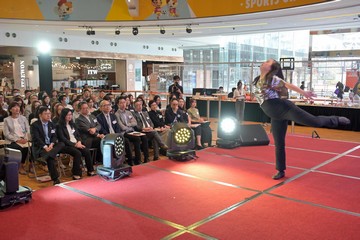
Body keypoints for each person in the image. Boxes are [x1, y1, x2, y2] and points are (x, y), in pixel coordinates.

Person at [253, 59, 350, 180]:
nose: (264, 62)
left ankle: (336, 119)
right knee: (279, 144)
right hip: (275, 115)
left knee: (314, 122)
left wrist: (304, 93)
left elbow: (288, 85)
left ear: (271, 69)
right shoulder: (258, 79)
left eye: (268, 62)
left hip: (285, 109)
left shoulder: (271, 79)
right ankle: (280, 170)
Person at [56, 108, 96, 180]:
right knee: (77, 153)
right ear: (63, 115)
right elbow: (63, 139)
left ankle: (90, 170)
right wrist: (75, 145)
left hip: (76, 143)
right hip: (66, 145)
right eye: (68, 115)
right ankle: (76, 173)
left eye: (71, 114)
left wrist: (79, 142)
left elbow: (78, 135)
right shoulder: (59, 126)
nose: (70, 116)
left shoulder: (73, 125)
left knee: (86, 151)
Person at [30, 106, 65, 185]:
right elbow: (36, 138)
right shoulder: (35, 125)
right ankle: (55, 179)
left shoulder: (51, 124)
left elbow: (54, 136)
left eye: (49, 113)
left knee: (62, 144)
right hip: (40, 147)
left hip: (51, 146)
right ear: (40, 115)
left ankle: (45, 157)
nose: (48, 115)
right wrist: (45, 147)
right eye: (46, 114)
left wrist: (52, 144)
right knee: (51, 159)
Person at [115, 96, 148, 165]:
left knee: (144, 137)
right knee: (137, 139)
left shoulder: (129, 112)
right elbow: (122, 127)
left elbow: (135, 123)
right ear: (118, 104)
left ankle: (146, 158)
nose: (123, 104)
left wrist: (128, 125)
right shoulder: (116, 114)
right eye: (121, 103)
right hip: (124, 132)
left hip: (131, 131)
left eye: (124, 102)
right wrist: (130, 125)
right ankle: (137, 159)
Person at [3, 102, 31, 174]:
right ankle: (20, 166)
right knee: (20, 148)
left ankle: (28, 165)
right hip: (12, 140)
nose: (17, 109)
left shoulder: (23, 118)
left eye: (18, 107)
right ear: (10, 110)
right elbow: (6, 134)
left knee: (30, 147)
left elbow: (28, 129)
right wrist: (17, 140)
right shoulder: (7, 120)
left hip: (24, 139)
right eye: (14, 107)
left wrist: (25, 138)